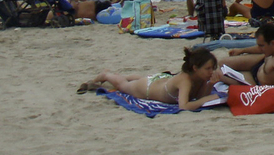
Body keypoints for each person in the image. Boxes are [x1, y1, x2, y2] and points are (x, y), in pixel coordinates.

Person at [80, 47, 221, 110]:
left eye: (212, 68)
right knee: (124, 85)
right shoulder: (185, 80)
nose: (210, 72)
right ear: (195, 68)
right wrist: (205, 99)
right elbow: (184, 106)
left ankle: (122, 76)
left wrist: (209, 85)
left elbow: (199, 96)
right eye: (207, 68)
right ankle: (105, 75)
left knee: (140, 79)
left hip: (162, 81)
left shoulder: (201, 77)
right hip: (148, 88)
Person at [219, 23, 274, 90]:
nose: (259, 48)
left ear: (273, 43)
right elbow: (261, 48)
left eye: (261, 46)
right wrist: (242, 50)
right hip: (261, 63)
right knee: (223, 63)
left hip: (255, 82)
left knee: (220, 73)